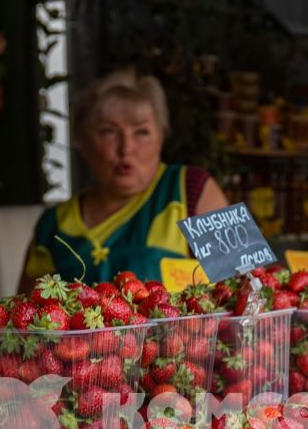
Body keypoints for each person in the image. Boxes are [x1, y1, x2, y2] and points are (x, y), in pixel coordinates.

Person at [26, 68, 227, 284]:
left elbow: (250, 291)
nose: (126, 148)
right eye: (108, 132)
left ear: (161, 136)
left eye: (142, 132)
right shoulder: (52, 227)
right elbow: (24, 312)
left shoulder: (192, 189)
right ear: (81, 140)